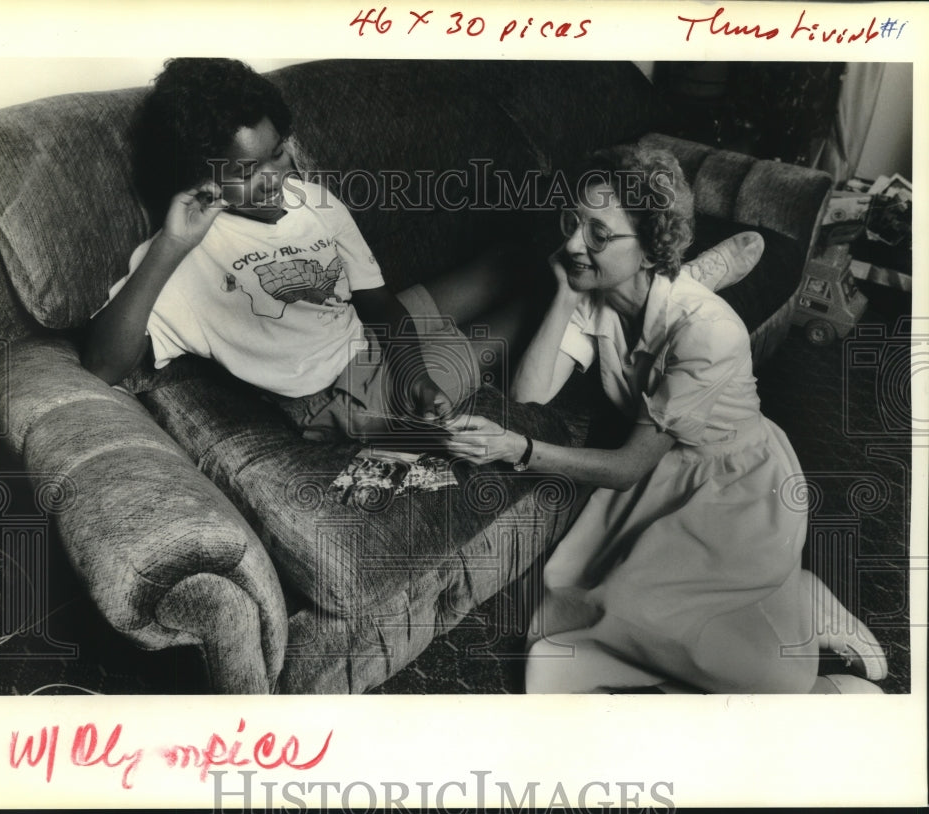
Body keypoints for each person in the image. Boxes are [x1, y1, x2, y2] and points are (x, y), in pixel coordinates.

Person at [441, 144, 888, 693]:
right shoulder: (594, 293)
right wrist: (562, 295)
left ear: (650, 245)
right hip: (664, 473)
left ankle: (803, 619)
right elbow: (528, 397)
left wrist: (520, 450)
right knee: (577, 613)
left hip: (736, 487)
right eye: (572, 224)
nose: (573, 244)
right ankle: (787, 595)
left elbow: (627, 465)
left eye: (599, 233)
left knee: (748, 672)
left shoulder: (707, 330)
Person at [83, 58, 491, 442]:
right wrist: (171, 246)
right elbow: (102, 365)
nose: (274, 178)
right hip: (338, 396)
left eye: (276, 153)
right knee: (520, 315)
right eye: (246, 172)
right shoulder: (186, 249)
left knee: (512, 264)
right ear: (201, 178)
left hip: (363, 336)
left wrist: (412, 370)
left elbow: (380, 304)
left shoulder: (314, 199)